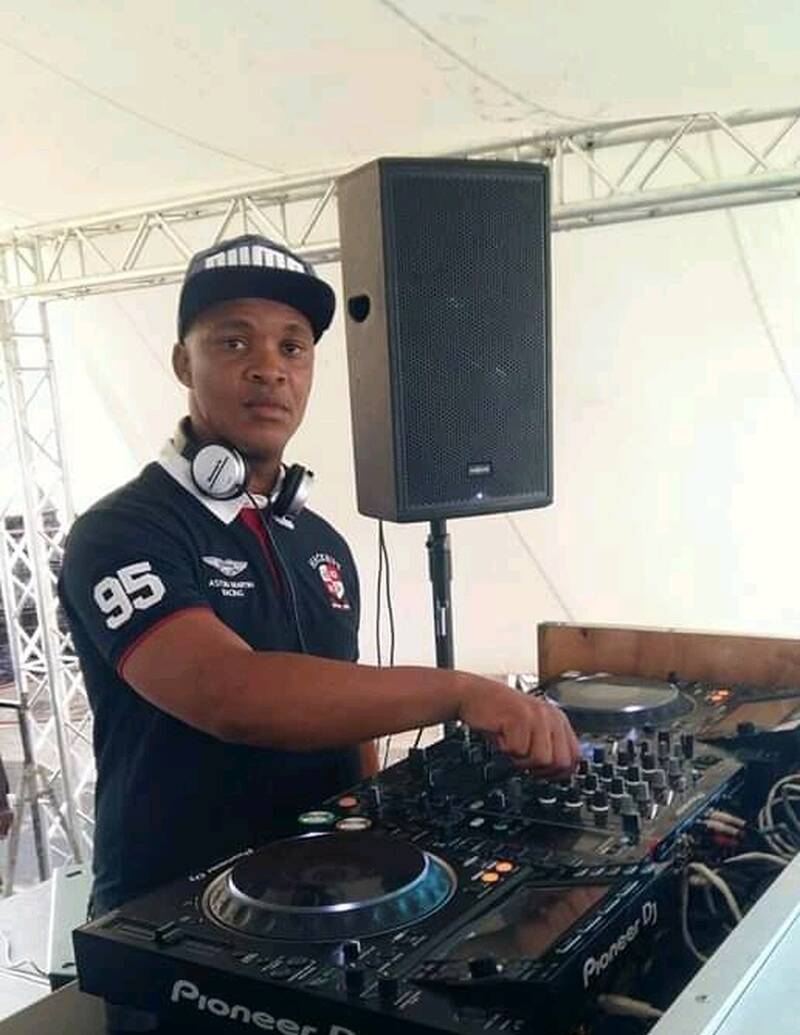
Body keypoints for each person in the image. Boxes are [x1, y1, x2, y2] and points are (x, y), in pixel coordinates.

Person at [58, 234, 578, 917]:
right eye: (234, 343)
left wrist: (371, 823)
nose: (269, 369)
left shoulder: (321, 542)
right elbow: (229, 693)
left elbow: (346, 713)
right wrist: (459, 691)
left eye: (292, 347)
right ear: (183, 361)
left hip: (324, 898)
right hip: (169, 912)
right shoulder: (121, 531)